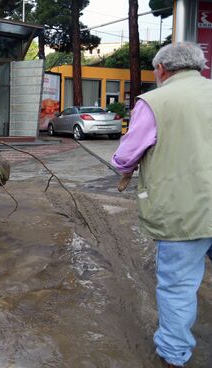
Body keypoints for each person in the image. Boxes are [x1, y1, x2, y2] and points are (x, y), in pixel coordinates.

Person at [111, 42, 212, 368]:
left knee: (178, 286)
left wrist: (123, 168)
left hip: (185, 212)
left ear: (162, 70)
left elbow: (127, 155)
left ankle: (173, 355)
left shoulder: (155, 102)